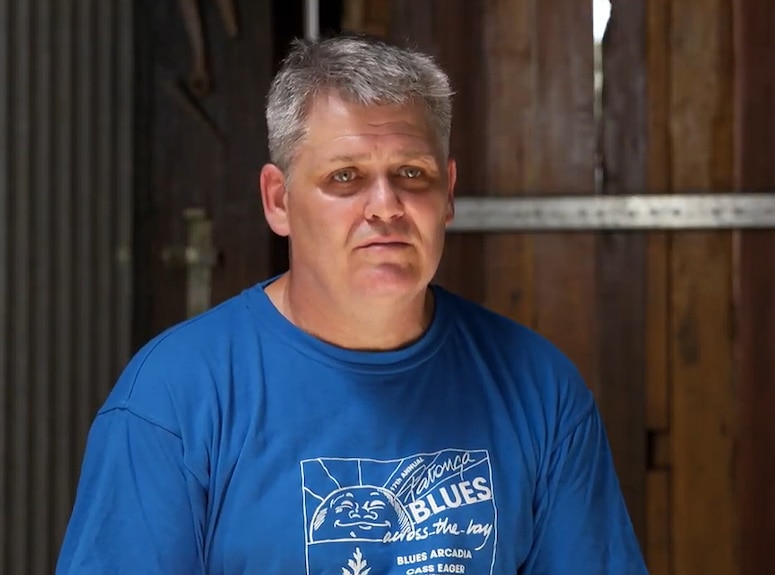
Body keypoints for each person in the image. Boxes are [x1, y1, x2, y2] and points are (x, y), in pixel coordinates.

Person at [55, 35, 648, 575]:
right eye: (345, 178)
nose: (385, 205)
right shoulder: (174, 401)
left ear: (447, 195)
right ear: (278, 200)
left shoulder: (539, 390)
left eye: (411, 173)